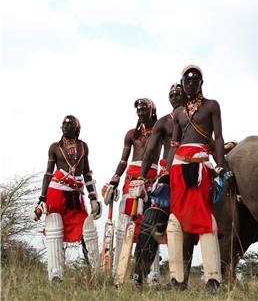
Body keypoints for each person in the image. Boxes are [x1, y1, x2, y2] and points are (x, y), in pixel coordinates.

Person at [163, 64, 228, 291]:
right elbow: (174, 145)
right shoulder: (178, 113)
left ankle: (212, 278)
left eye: (195, 79)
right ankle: (177, 279)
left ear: (202, 83)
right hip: (179, 169)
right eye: (187, 80)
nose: (191, 83)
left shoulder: (211, 106)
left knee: (205, 219)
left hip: (202, 167)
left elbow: (218, 138)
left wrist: (219, 168)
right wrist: (166, 173)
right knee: (175, 221)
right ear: (182, 84)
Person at [31, 115, 102, 282]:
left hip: (75, 196)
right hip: (56, 192)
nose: (65, 126)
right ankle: (56, 276)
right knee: (55, 232)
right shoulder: (55, 147)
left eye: (69, 123)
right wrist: (42, 199)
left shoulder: (83, 146)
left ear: (76, 128)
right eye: (63, 123)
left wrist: (93, 196)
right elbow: (48, 173)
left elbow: (86, 173)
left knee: (87, 231)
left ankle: (95, 275)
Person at [132, 83, 186, 285]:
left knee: (185, 225)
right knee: (149, 222)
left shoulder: (196, 118)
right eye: (171, 94)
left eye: (177, 93)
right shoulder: (163, 122)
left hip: (192, 175)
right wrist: (141, 177)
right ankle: (138, 276)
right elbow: (149, 153)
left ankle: (183, 278)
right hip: (166, 178)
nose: (174, 96)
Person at [101, 98, 159, 273]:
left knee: (151, 224)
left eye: (144, 109)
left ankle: (152, 275)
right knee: (124, 223)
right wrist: (114, 180)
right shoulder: (131, 134)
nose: (140, 112)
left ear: (152, 110)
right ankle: (120, 271)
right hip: (130, 179)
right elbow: (123, 160)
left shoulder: (160, 130)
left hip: (152, 179)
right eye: (138, 109)